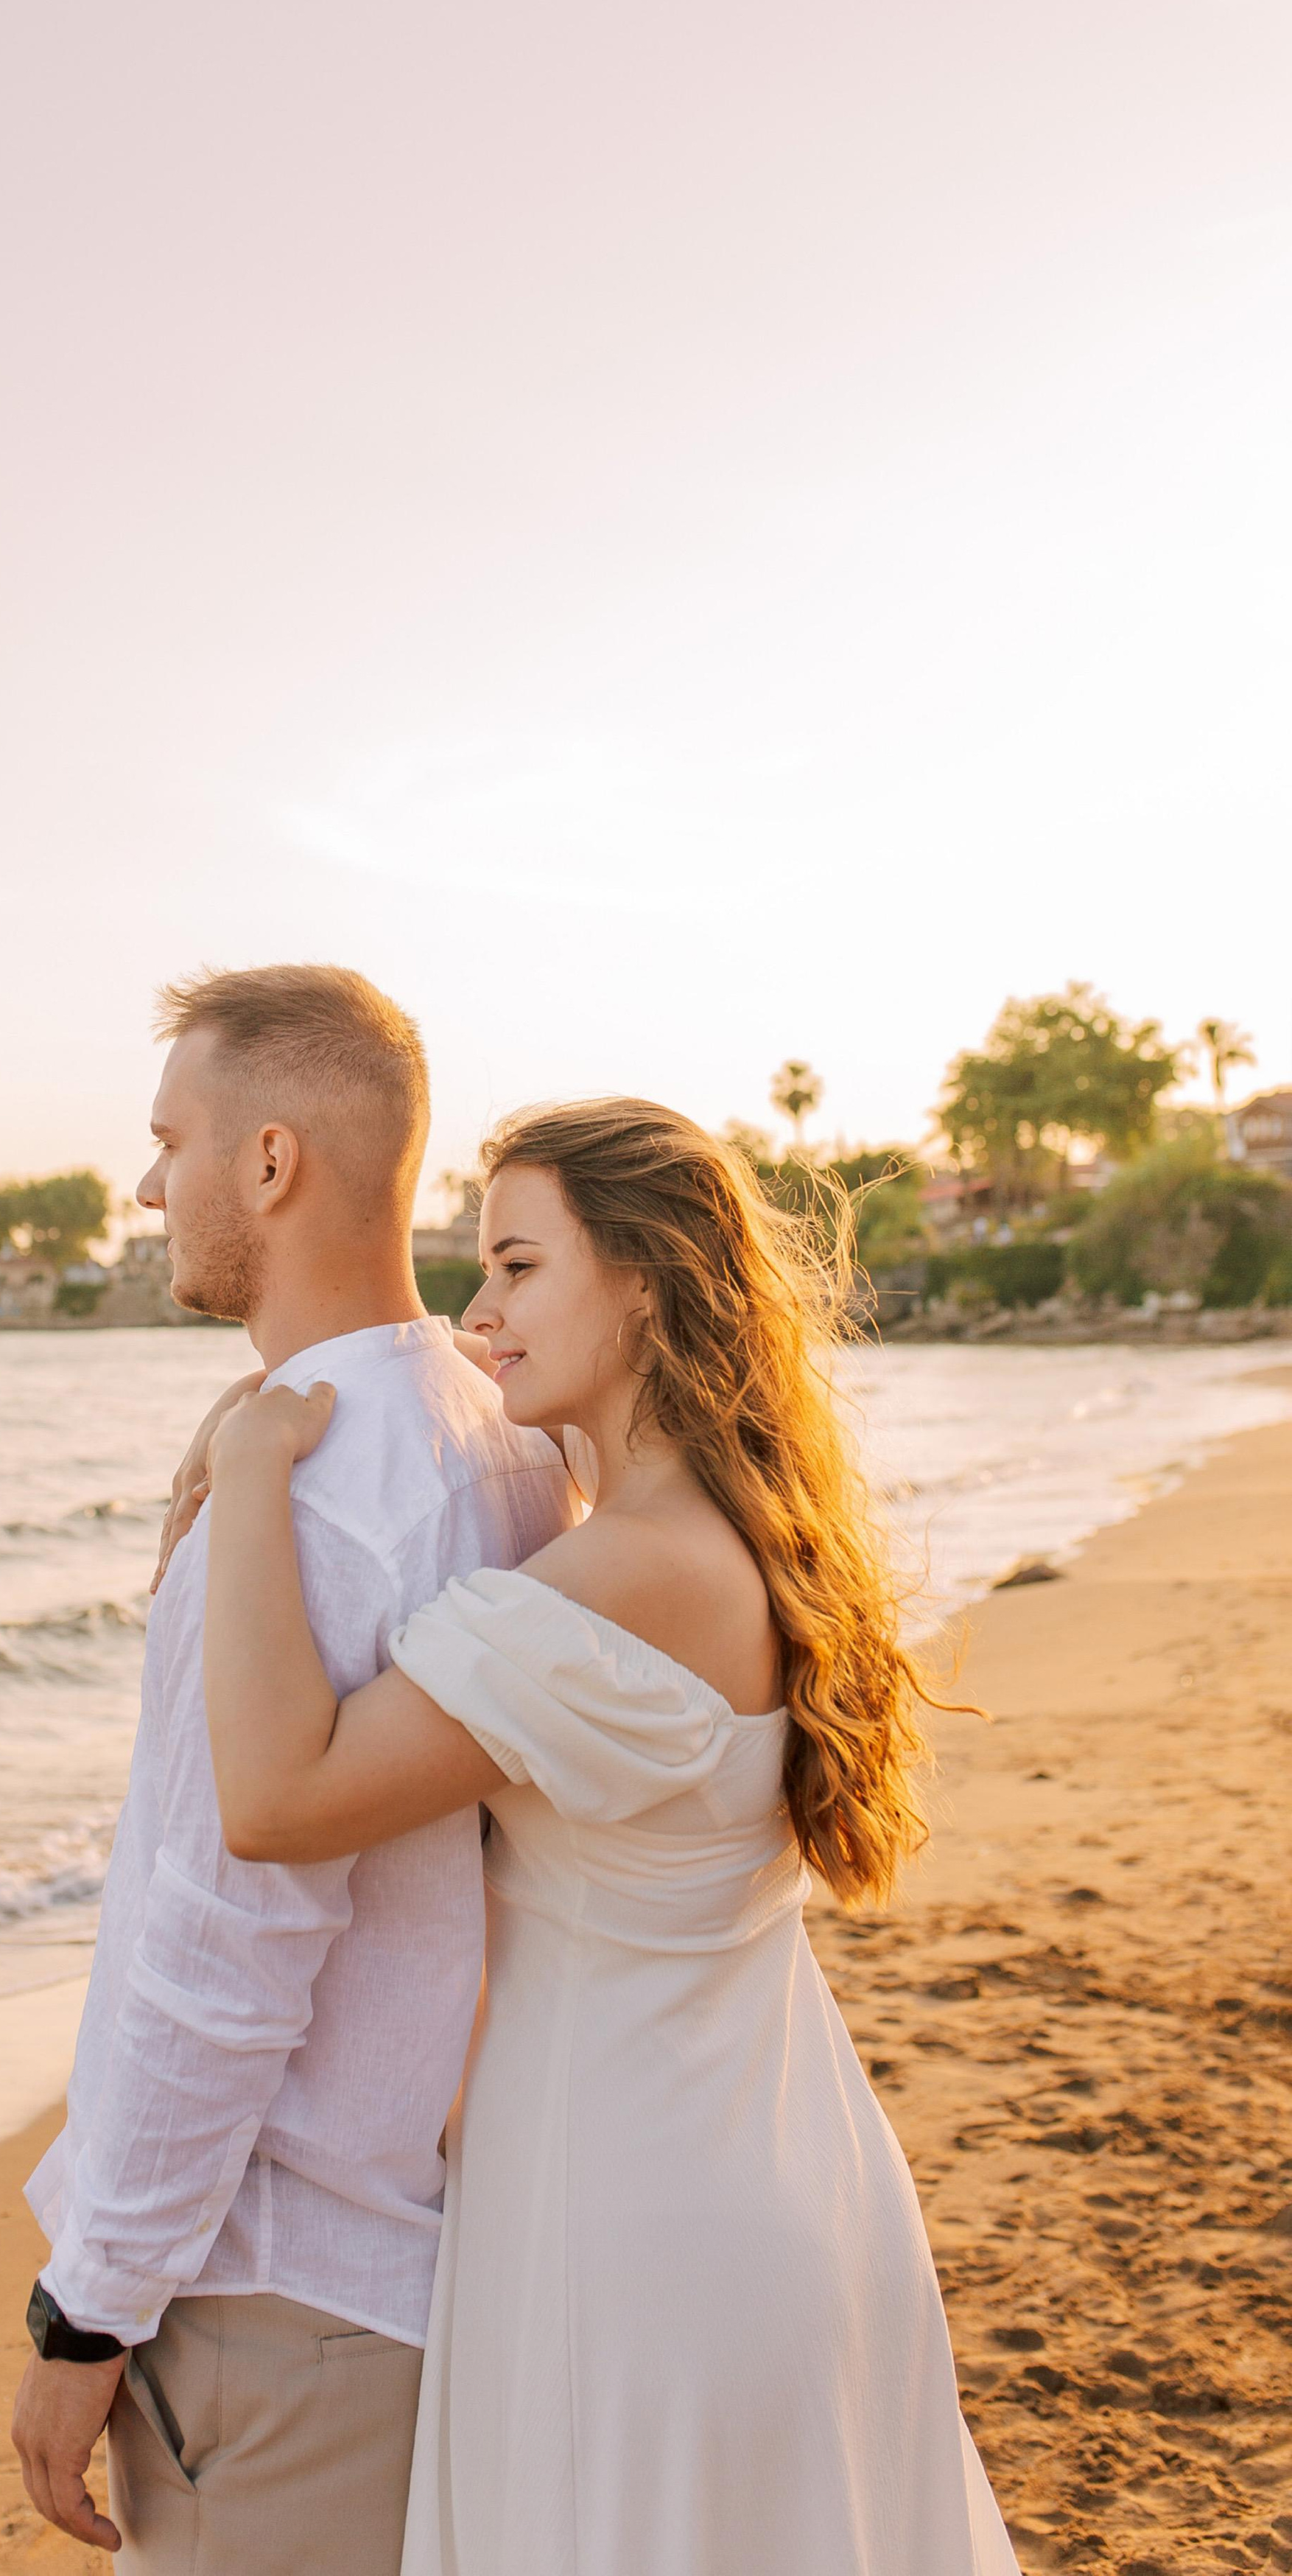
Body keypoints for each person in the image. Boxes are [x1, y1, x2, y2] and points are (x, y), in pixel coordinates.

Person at [196, 1096, 1021, 2575]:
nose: (477, 1307)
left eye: (516, 1268)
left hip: (629, 2234)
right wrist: (468, 1367)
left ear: (640, 1280)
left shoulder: (624, 1575)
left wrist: (254, 1472)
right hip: (774, 2174)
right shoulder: (728, 1530)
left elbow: (272, 1802)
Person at [10, 966, 572, 2569]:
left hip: (277, 2302)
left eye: (168, 1140)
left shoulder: (308, 1496)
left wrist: (87, 2309)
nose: (142, 1186)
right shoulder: (494, 1425)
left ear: (268, 1163)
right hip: (414, 2258)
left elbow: (223, 1945)